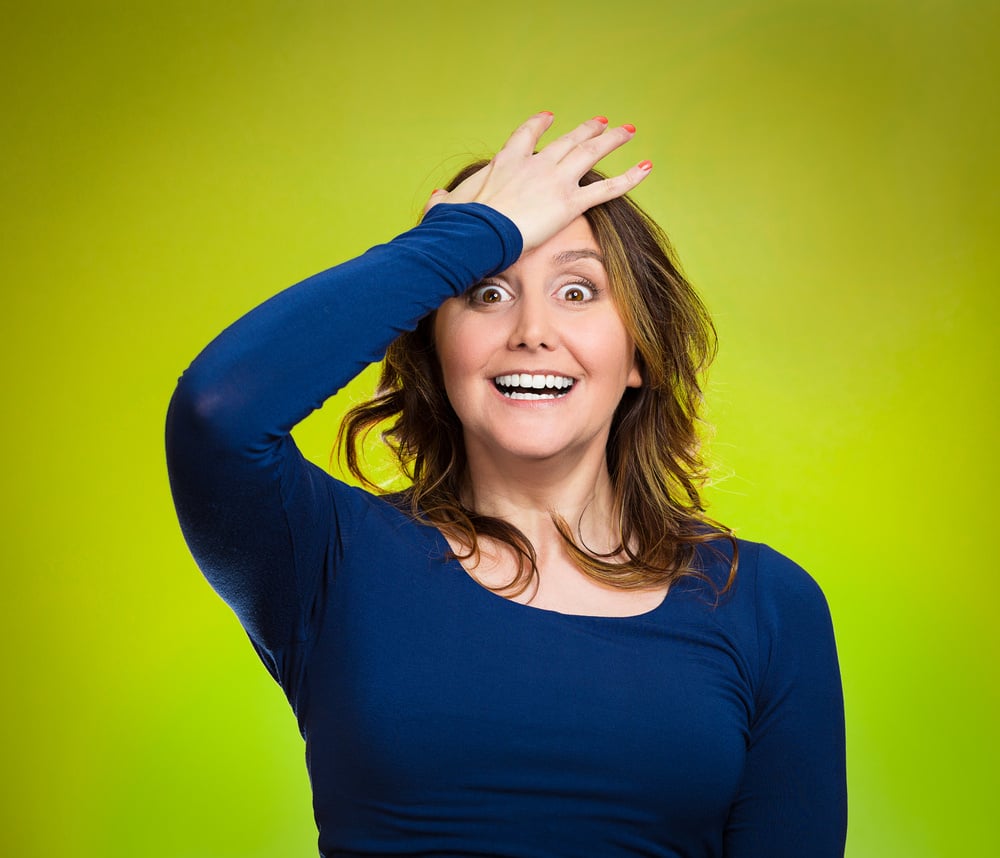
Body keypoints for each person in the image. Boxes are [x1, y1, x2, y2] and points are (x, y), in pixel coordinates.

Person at [166, 112, 847, 857]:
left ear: (638, 354)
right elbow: (219, 413)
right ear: (436, 344)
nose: (531, 331)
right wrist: (457, 242)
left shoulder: (766, 605)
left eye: (577, 292)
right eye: (486, 293)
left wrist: (478, 256)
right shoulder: (328, 558)